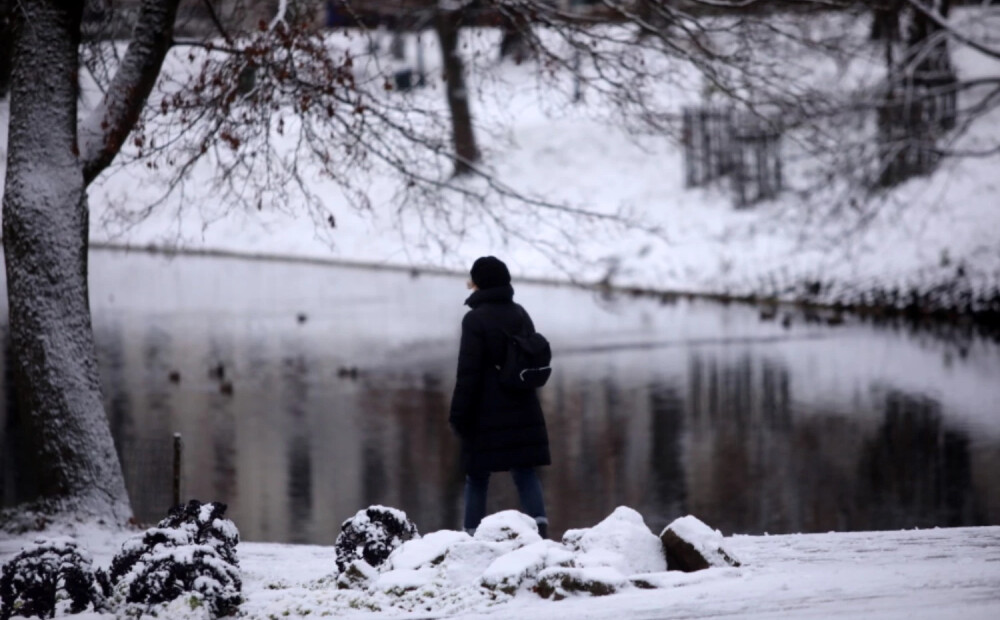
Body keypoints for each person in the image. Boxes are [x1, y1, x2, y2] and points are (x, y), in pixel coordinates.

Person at [449, 256, 551, 538]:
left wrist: (458, 415)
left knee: (477, 475)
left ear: (479, 283)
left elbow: (467, 373)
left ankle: (471, 536)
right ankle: (540, 532)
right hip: (522, 405)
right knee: (525, 472)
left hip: (485, 410)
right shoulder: (520, 312)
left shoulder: (474, 319)